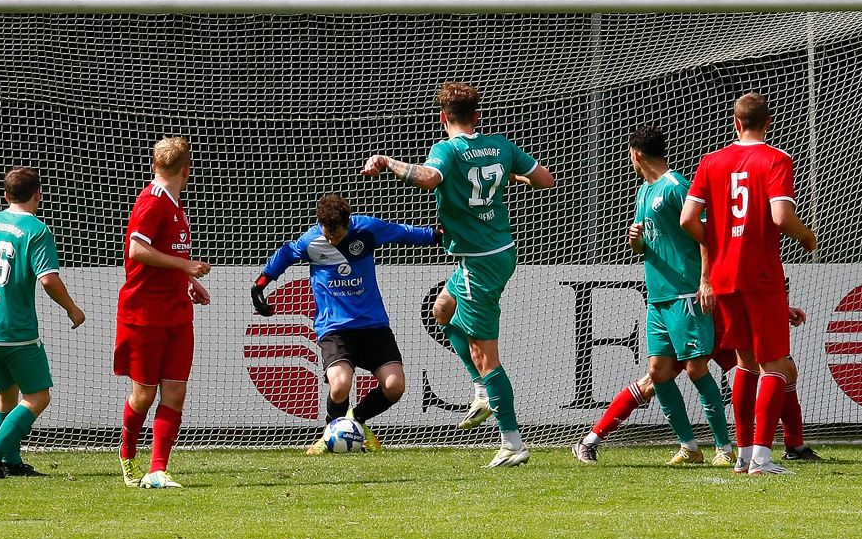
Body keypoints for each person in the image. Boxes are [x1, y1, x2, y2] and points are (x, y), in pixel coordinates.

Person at [361, 81, 555, 468]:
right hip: (498, 252)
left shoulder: (447, 149)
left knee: (486, 356)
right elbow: (545, 180)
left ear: (443, 118)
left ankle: (512, 441)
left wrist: (387, 162)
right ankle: (483, 391)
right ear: (477, 115)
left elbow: (430, 177)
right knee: (443, 310)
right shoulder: (500, 145)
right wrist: (510, 177)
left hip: (479, 262)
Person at [572, 126, 733, 467]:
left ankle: (724, 447)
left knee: (695, 368)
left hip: (686, 292)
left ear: (637, 155)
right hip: (658, 296)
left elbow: (708, 235)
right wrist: (636, 243)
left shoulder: (676, 187)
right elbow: (649, 244)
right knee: (659, 372)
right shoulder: (643, 192)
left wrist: (706, 281)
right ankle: (690, 447)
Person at [681, 92, 817, 475]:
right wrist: (807, 237)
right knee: (774, 363)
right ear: (768, 123)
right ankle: (762, 456)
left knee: (744, 363)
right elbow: (781, 217)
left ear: (736, 123)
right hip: (760, 275)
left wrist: (721, 240)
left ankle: (743, 456)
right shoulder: (776, 159)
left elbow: (688, 221)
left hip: (723, 276)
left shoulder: (712, 161)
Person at [251, 194, 440, 454]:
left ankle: (354, 421)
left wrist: (437, 235)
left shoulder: (367, 230)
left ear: (348, 223)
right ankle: (330, 435)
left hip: (373, 326)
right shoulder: (311, 240)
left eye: (337, 234)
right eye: (327, 234)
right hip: (335, 328)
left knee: (395, 386)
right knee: (340, 385)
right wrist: (260, 286)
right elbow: (286, 254)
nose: (331, 240)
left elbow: (403, 233)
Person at [0, 167, 86, 479]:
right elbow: (49, 280)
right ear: (38, 195)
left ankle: (11, 464)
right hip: (15, 330)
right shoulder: (36, 230)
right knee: (39, 396)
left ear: (6, 195)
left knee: (6, 395)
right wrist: (72, 309)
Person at [572, 306, 819, 463]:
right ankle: (591, 440)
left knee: (786, 368)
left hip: (723, 317)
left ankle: (794, 445)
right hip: (700, 316)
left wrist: (777, 308)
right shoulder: (700, 233)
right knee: (655, 379)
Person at [115, 137, 211, 489]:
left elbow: (161, 252)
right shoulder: (151, 201)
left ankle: (158, 470)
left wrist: (186, 279)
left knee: (175, 393)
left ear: (155, 165)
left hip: (177, 313)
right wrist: (185, 264)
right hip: (144, 314)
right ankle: (127, 457)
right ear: (187, 169)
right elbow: (137, 250)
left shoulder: (173, 202)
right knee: (144, 395)